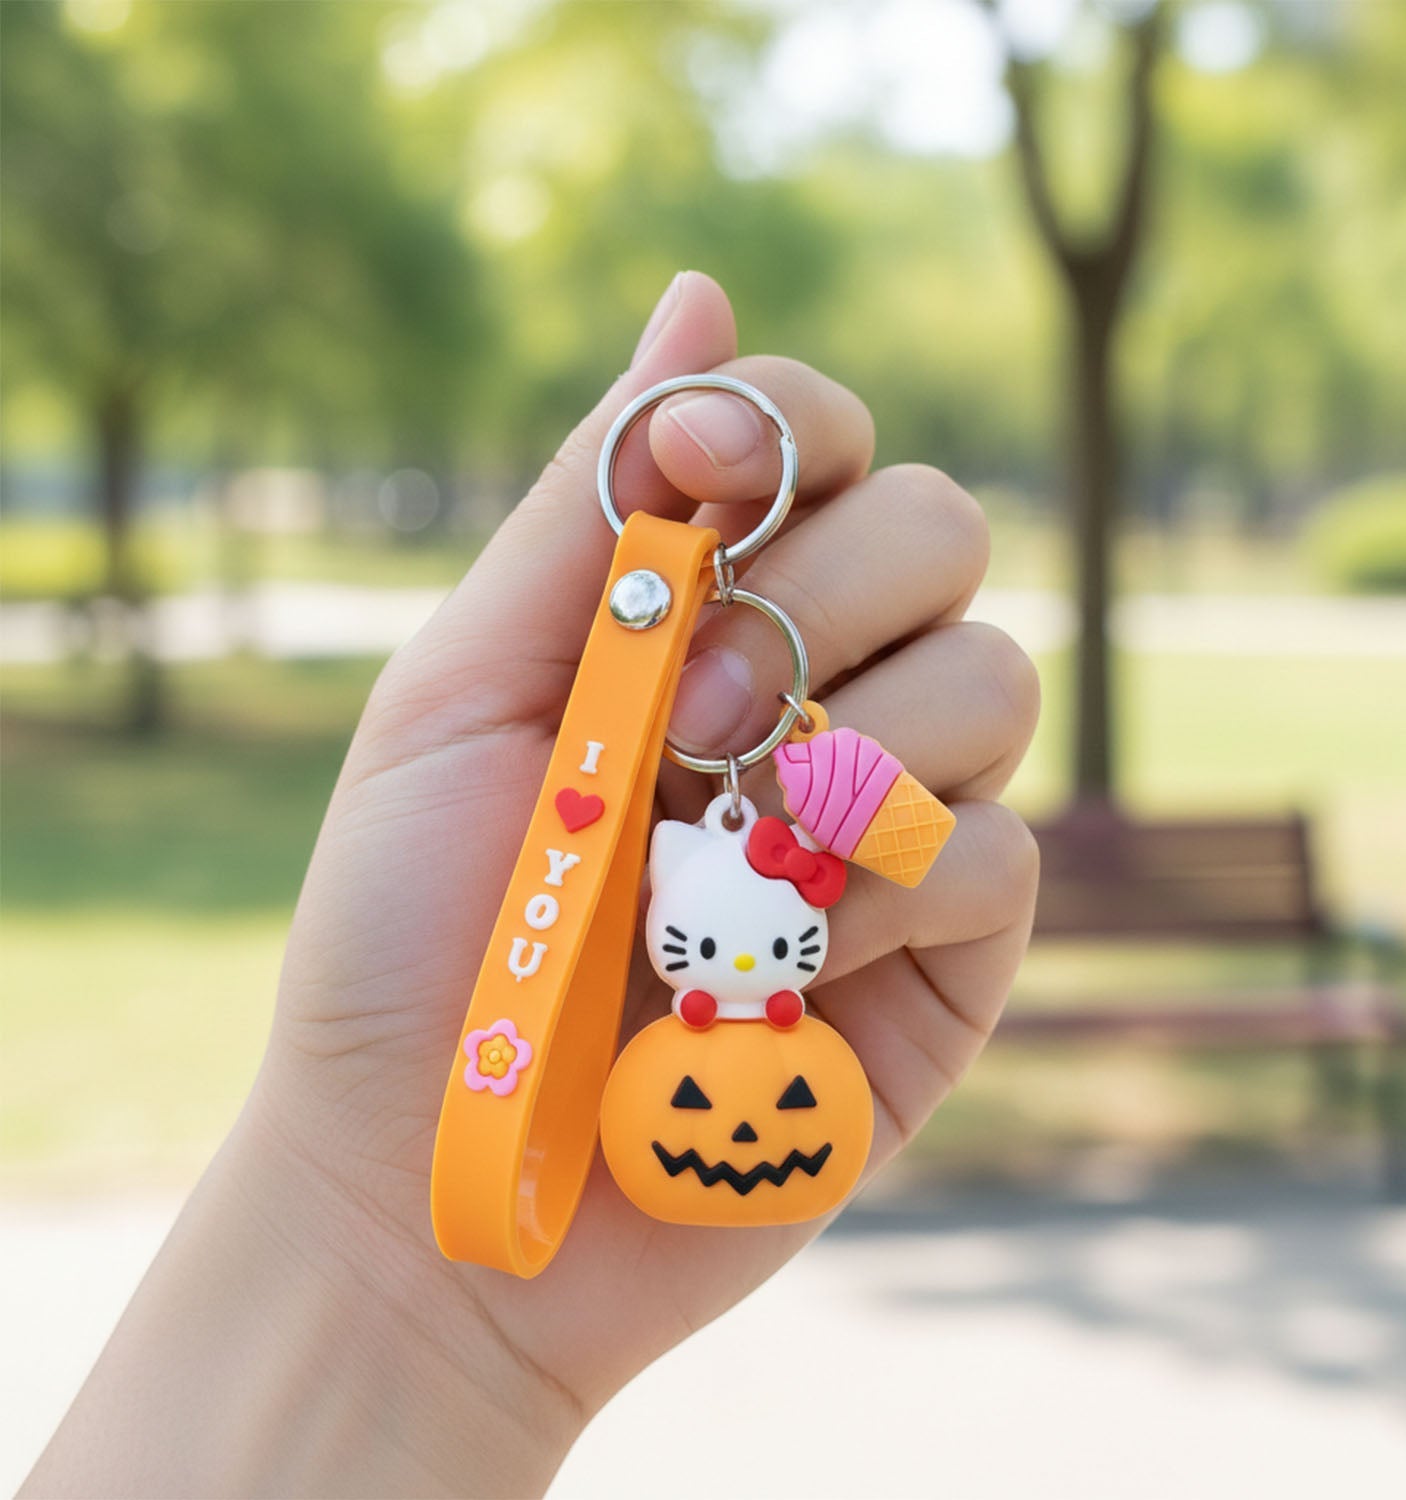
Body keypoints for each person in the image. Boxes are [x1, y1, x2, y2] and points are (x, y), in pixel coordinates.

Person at [23, 271, 1040, 1499]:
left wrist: (403, 1321)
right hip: (529, 1149)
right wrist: (373, 1260)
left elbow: (914, 852)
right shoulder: (669, 931)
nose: (740, 1133)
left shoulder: (799, 894)